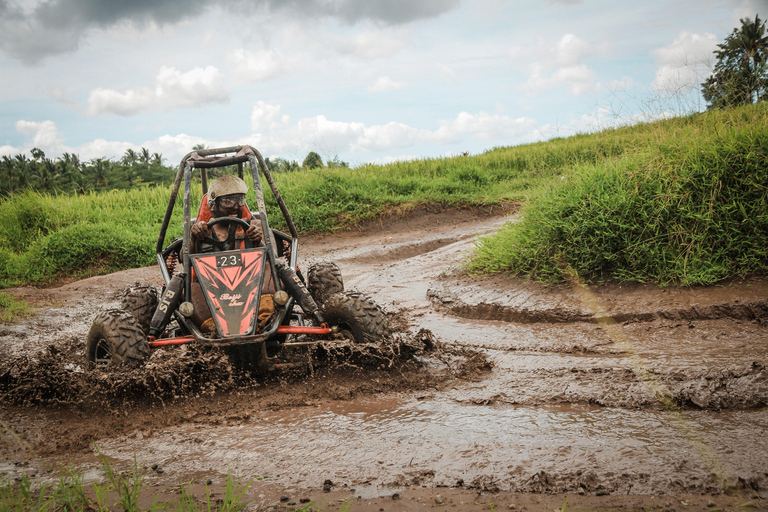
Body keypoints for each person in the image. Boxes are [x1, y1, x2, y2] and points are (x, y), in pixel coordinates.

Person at [191, 174, 262, 248]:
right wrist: (193, 238)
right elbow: (184, 258)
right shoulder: (202, 232)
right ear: (212, 206)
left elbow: (274, 257)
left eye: (239, 200)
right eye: (227, 202)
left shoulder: (255, 227)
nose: (236, 206)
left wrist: (259, 241)